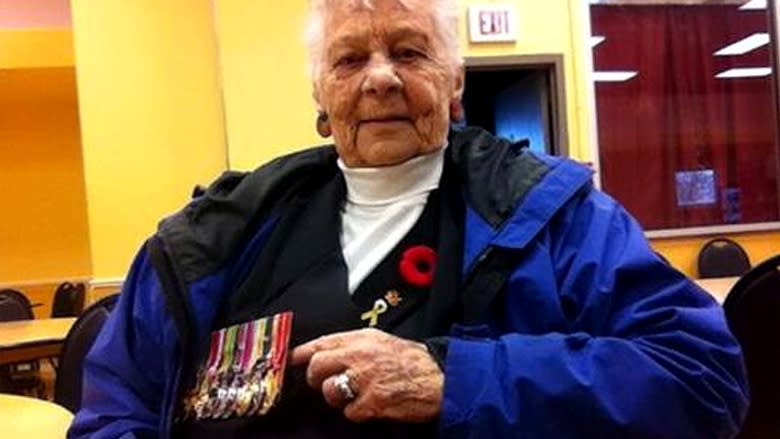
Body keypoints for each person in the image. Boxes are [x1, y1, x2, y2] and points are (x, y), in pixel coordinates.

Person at [69, 0, 749, 437]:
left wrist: (458, 379)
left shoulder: (559, 218)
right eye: (350, 58)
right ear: (319, 93)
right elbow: (114, 411)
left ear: (455, 83)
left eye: (409, 51)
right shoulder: (215, 237)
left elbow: (701, 376)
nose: (381, 78)